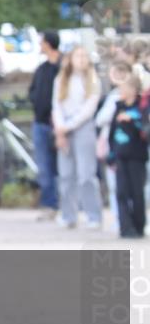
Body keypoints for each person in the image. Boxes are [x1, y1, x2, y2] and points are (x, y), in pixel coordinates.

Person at [52, 46, 102, 230]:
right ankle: (68, 215)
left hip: (83, 128)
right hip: (63, 128)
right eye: (78, 55)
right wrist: (60, 129)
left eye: (84, 55)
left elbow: (88, 109)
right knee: (65, 175)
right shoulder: (60, 79)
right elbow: (56, 105)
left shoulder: (93, 80)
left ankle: (93, 215)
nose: (81, 59)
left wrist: (68, 126)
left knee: (86, 175)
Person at [96, 61, 136, 233]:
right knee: (116, 187)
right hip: (116, 147)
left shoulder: (138, 99)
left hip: (135, 150)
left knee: (137, 187)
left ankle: (136, 220)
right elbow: (100, 119)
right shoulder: (113, 97)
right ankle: (120, 219)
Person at [107, 75, 148, 238]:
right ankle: (125, 227)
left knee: (137, 193)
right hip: (120, 155)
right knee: (121, 192)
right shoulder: (118, 107)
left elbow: (145, 130)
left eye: (124, 88)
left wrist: (132, 119)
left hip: (137, 156)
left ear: (133, 90)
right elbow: (111, 133)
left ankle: (139, 226)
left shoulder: (142, 108)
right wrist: (111, 155)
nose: (121, 92)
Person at [29, 31, 62, 220]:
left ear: (48, 44)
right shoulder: (41, 69)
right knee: (44, 166)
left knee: (60, 166)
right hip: (40, 121)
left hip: (56, 123)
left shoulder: (61, 67)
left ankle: (64, 202)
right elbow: (33, 91)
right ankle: (49, 204)